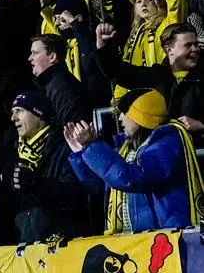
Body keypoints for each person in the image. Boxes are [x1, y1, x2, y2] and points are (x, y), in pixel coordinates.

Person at [67, 88, 204, 233]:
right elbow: (102, 184)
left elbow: (131, 178)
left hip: (165, 240)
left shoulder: (167, 145)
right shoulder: (126, 148)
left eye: (124, 113)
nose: (120, 118)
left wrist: (92, 147)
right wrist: (82, 153)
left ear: (141, 117)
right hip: (135, 241)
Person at [95, 22, 204, 139]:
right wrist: (103, 47)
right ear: (169, 50)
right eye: (188, 45)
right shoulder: (156, 76)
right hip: (163, 150)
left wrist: (200, 125)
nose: (195, 49)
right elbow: (117, 72)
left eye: (196, 44)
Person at [5, 90, 84, 242]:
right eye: (13, 112)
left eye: (19, 111)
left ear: (39, 115)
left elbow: (73, 196)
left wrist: (36, 183)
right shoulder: (13, 153)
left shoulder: (65, 148)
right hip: (27, 243)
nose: (13, 118)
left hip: (63, 243)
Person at [28, 34, 91, 125]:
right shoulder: (53, 84)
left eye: (35, 53)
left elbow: (74, 128)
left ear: (52, 57)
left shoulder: (61, 86)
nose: (30, 58)